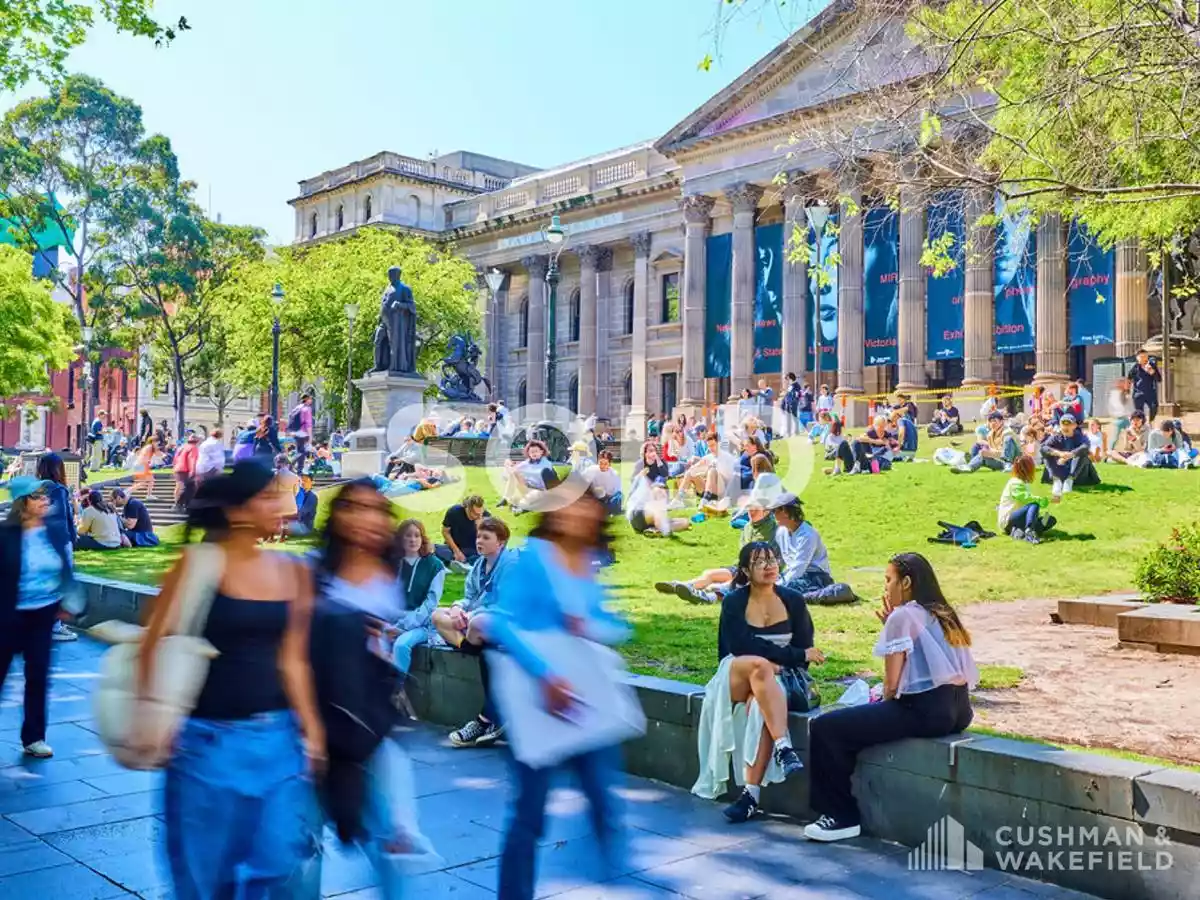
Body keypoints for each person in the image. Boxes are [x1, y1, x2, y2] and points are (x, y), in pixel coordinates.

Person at [136, 462, 325, 896]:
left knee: (280, 867)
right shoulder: (198, 564)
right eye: (271, 496)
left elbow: (294, 658)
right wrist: (155, 717)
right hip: (206, 745)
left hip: (279, 743)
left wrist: (312, 731)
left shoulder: (292, 572)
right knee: (204, 880)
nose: (285, 505)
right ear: (239, 511)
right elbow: (153, 644)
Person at [487, 488, 632, 900]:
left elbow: (610, 624)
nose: (577, 517)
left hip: (584, 698)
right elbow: (501, 623)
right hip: (538, 699)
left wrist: (590, 626)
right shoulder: (534, 559)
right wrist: (544, 674)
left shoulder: (588, 564)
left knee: (604, 803)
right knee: (530, 814)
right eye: (569, 508)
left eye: (586, 510)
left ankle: (614, 875)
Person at [311, 478, 433, 894]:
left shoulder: (386, 575)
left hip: (365, 723)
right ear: (338, 515)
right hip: (310, 724)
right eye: (354, 508)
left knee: (388, 842)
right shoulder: (314, 572)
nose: (366, 520)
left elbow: (382, 646)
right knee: (297, 852)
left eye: (375, 510)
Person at [804, 553, 977, 842]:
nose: (885, 588)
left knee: (826, 727)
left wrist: (880, 706)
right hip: (959, 710)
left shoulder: (902, 616)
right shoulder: (942, 611)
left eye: (888, 580)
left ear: (906, 582)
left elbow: (892, 686)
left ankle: (840, 816)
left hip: (924, 711)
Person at [692, 541, 820, 822]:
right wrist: (789, 655)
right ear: (745, 571)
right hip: (735, 673)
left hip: (777, 678)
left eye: (772, 559)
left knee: (759, 708)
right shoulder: (734, 601)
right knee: (760, 666)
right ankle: (783, 746)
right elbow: (740, 646)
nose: (768, 565)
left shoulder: (793, 601)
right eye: (759, 561)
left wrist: (790, 658)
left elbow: (805, 655)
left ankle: (751, 796)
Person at [0, 476, 77, 757]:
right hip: (7, 616)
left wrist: (66, 599)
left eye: (46, 496)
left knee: (39, 675)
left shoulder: (54, 531)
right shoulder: (5, 535)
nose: (46, 500)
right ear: (22, 503)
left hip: (42, 616)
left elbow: (65, 569)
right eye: (38, 496)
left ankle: (34, 737)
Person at [434, 517, 517, 749]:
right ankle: (474, 647)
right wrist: (458, 608)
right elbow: (468, 597)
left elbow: (505, 604)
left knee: (478, 623)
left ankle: (486, 718)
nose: (479, 541)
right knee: (438, 616)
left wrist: (470, 616)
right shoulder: (478, 565)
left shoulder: (510, 564)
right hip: (476, 625)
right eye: (479, 536)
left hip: (505, 622)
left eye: (486, 537)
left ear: (501, 542)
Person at [387, 519, 446, 676]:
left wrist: (404, 626)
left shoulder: (435, 566)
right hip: (394, 620)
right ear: (400, 539)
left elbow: (431, 603)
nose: (413, 540)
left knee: (401, 645)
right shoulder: (393, 564)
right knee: (375, 641)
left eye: (417, 535)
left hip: (422, 624)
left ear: (422, 538)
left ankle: (397, 690)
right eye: (408, 536)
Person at [772, 494, 833, 593]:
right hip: (793, 574)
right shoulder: (780, 532)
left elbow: (799, 568)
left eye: (775, 511)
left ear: (786, 512)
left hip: (816, 577)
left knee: (787, 588)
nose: (773, 515)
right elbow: (784, 561)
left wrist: (777, 585)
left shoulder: (808, 535)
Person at [997, 455, 1057, 544]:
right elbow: (1026, 499)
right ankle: (1029, 531)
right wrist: (1044, 500)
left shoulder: (1022, 482)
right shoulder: (1015, 483)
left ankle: (1020, 531)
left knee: (1049, 519)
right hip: (1008, 520)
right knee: (1034, 504)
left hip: (1020, 518)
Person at [1042, 414, 1098, 497]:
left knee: (1083, 453)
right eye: (1063, 424)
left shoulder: (1080, 436)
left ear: (1074, 426)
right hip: (1059, 468)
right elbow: (1043, 447)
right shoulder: (1056, 437)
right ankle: (1056, 481)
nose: (1066, 427)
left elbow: (1086, 446)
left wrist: (1071, 454)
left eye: (1069, 424)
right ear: (1060, 425)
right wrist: (1059, 453)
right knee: (1046, 452)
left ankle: (1069, 480)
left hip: (1077, 472)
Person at [951, 411, 1020, 473]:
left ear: (1002, 422)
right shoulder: (990, 435)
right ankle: (968, 467)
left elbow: (1005, 454)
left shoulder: (1007, 432)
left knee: (1008, 439)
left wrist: (990, 454)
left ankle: (1008, 465)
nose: (992, 423)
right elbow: (997, 453)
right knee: (982, 455)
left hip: (1016, 462)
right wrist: (987, 453)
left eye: (995, 421)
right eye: (990, 421)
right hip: (1001, 462)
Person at [499, 440, 556, 513]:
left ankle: (522, 506)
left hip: (540, 491)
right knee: (513, 473)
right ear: (528, 453)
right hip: (528, 488)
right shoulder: (527, 463)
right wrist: (508, 464)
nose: (534, 453)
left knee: (523, 503)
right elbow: (513, 469)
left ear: (541, 452)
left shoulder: (547, 464)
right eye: (531, 452)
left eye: (536, 451)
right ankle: (505, 499)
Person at [436, 494, 488, 572]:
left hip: (473, 548)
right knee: (433, 548)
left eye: (480, 513)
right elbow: (445, 532)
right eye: (476, 514)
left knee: (482, 556)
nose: (478, 516)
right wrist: (456, 551)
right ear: (468, 508)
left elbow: (486, 541)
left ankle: (461, 564)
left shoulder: (485, 516)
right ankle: (461, 563)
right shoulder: (454, 512)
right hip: (454, 546)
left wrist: (479, 526)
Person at [583, 450, 623, 517]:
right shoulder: (591, 470)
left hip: (608, 498)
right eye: (601, 463)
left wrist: (606, 495)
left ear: (610, 464)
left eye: (605, 464)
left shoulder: (614, 474)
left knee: (618, 498)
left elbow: (616, 491)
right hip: (594, 497)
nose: (602, 466)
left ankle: (609, 510)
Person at [1130, 350, 1161, 422]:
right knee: (1139, 413)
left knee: (1154, 407)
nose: (1145, 359)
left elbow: (1159, 379)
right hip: (1138, 393)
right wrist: (1126, 390)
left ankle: (1151, 421)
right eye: (1142, 357)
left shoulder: (1152, 366)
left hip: (1150, 393)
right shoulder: (1135, 368)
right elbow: (1129, 378)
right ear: (1137, 358)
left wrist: (1153, 372)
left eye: (1146, 356)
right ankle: (1142, 425)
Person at [285, 472, 319, 538]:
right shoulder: (300, 494)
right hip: (298, 524)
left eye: (306, 481)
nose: (303, 483)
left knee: (282, 525)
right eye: (301, 481)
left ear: (312, 482)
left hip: (304, 527)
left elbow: (302, 513)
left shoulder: (312, 497)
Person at [173, 432, 200, 509]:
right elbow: (192, 459)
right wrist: (193, 470)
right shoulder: (193, 448)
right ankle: (182, 504)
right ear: (197, 441)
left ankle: (178, 503)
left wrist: (175, 466)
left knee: (180, 486)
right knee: (189, 488)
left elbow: (175, 458)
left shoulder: (182, 447)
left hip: (178, 468)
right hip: (186, 470)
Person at [288, 393, 315, 469]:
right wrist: (310, 436)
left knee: (300, 451)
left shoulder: (297, 407)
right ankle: (291, 464)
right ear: (306, 399)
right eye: (310, 399)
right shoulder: (307, 408)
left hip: (295, 432)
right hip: (303, 432)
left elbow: (290, 416)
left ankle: (300, 469)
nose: (311, 400)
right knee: (302, 452)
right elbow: (308, 423)